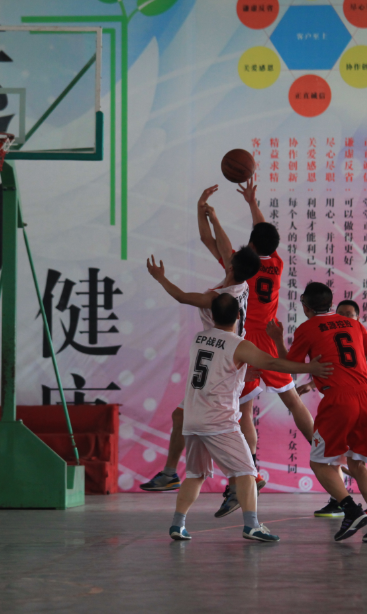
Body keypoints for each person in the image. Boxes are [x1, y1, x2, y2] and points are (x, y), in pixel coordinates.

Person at [198, 181, 320, 518]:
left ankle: (248, 471)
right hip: (269, 336)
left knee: (244, 411)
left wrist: (213, 216)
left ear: (248, 247)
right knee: (293, 401)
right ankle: (323, 451)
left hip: (244, 342)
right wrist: (253, 203)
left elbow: (225, 244)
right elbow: (263, 232)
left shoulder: (242, 268)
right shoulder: (276, 263)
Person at [168, 294, 333, 542]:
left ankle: (177, 525)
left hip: (192, 419)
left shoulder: (199, 338)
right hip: (218, 421)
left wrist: (240, 374)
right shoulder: (239, 345)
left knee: (195, 475)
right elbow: (273, 363)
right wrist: (310, 368)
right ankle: (252, 526)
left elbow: (214, 371)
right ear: (239, 315)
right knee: (247, 472)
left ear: (212, 315)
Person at [139, 198, 260, 493]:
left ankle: (241, 481)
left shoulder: (217, 298)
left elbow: (181, 297)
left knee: (222, 425)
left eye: (230, 256)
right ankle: (176, 473)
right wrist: (208, 214)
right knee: (194, 418)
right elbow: (213, 241)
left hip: (223, 362)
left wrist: (160, 278)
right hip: (227, 355)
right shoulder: (241, 284)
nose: (227, 253)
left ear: (230, 264)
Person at [278, 282, 367, 542]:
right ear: (331, 303)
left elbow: (289, 366)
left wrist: (275, 339)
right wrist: (361, 384)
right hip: (365, 396)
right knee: (358, 464)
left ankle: (351, 510)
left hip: (339, 399)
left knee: (319, 463)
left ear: (305, 306)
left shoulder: (307, 328)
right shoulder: (353, 324)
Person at [299, 299, 363, 518]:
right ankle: (344, 502)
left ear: (358, 317)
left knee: (340, 459)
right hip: (348, 400)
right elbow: (335, 369)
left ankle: (358, 502)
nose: (343, 317)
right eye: (340, 313)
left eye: (349, 314)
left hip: (349, 402)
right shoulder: (336, 334)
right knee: (336, 457)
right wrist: (311, 384)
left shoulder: (358, 335)